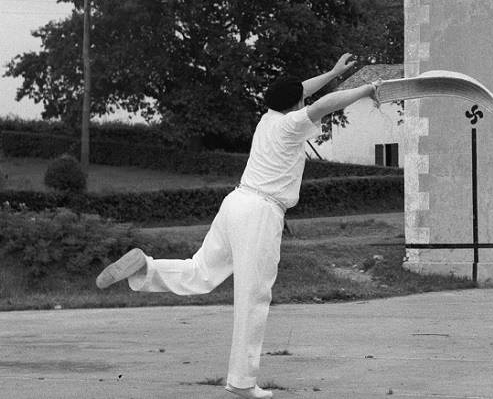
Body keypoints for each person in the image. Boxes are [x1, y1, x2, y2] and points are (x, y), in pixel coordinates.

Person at [95, 53, 377, 399]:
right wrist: (367, 89)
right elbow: (325, 105)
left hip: (235, 203)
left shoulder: (267, 118)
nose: (306, 99)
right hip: (260, 214)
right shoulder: (290, 126)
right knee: (253, 297)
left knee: (200, 271)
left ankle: (146, 269)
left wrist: (333, 73)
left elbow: (297, 91)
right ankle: (242, 382)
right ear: (296, 104)